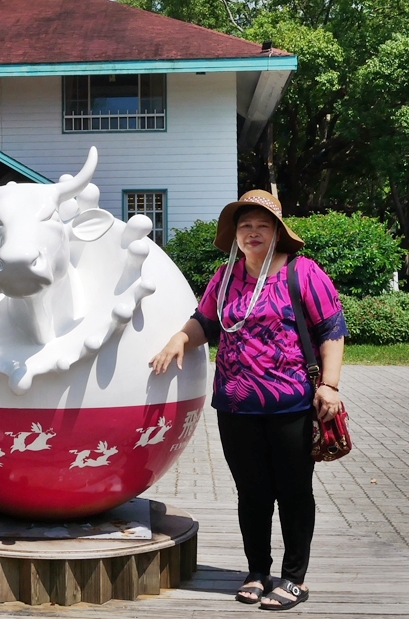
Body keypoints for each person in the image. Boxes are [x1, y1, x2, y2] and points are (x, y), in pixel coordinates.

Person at [150, 190, 346, 611]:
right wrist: (180, 338)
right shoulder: (225, 278)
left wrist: (329, 385)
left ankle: (294, 577)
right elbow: (205, 321)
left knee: (293, 491)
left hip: (291, 404)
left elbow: (332, 329)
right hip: (236, 407)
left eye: (261, 225)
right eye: (245, 226)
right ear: (235, 235)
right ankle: (258, 571)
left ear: (277, 231)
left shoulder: (303, 273)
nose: (252, 233)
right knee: (252, 493)